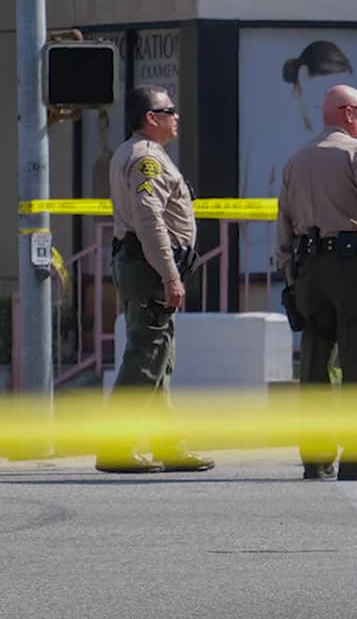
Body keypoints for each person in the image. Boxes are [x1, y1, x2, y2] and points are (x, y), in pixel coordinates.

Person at [277, 84, 357, 481]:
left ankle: (315, 457)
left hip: (309, 268)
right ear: (348, 113)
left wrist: (289, 270)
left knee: (315, 360)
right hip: (351, 268)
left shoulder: (298, 158)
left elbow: (282, 220)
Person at [97, 84, 214, 474]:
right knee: (145, 360)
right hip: (149, 269)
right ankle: (116, 447)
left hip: (140, 265)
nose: (176, 117)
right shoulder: (147, 159)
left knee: (157, 360)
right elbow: (150, 221)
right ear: (152, 117)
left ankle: (169, 445)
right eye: (171, 110)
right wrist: (170, 275)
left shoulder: (140, 154)